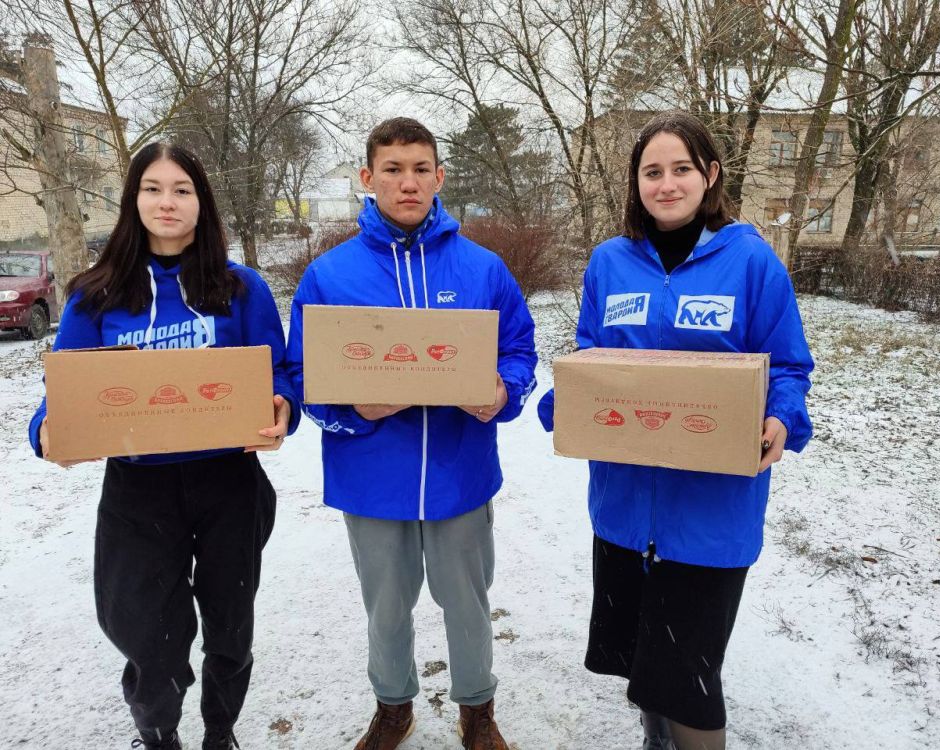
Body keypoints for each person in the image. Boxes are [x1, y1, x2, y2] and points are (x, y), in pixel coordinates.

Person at [538, 111, 814, 750]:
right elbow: (591, 354)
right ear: (635, 183)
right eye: (651, 171)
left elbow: (789, 364)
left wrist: (781, 416)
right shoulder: (609, 263)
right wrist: (570, 401)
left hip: (710, 509)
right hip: (626, 506)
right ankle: (654, 738)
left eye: (681, 169)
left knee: (690, 675)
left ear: (710, 174)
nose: (667, 184)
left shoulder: (750, 261)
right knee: (640, 655)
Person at [27, 142, 301, 750]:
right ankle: (158, 730)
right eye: (153, 188)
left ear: (201, 203)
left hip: (228, 481)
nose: (167, 201)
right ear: (133, 200)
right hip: (137, 486)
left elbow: (276, 373)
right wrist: (48, 429)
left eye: (182, 189)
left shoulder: (240, 288)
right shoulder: (94, 294)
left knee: (230, 626)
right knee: (149, 632)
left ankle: (219, 731)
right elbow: (65, 388)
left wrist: (284, 406)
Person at [285, 117, 537, 750]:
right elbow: (302, 375)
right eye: (393, 170)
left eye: (421, 168)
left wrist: (503, 393)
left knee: (468, 602)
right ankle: (393, 704)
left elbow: (518, 349)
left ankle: (477, 707)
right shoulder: (329, 276)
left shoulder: (482, 269)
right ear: (368, 179)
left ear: (440, 176)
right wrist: (355, 410)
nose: (408, 182)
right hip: (372, 479)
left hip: (459, 471)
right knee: (387, 609)